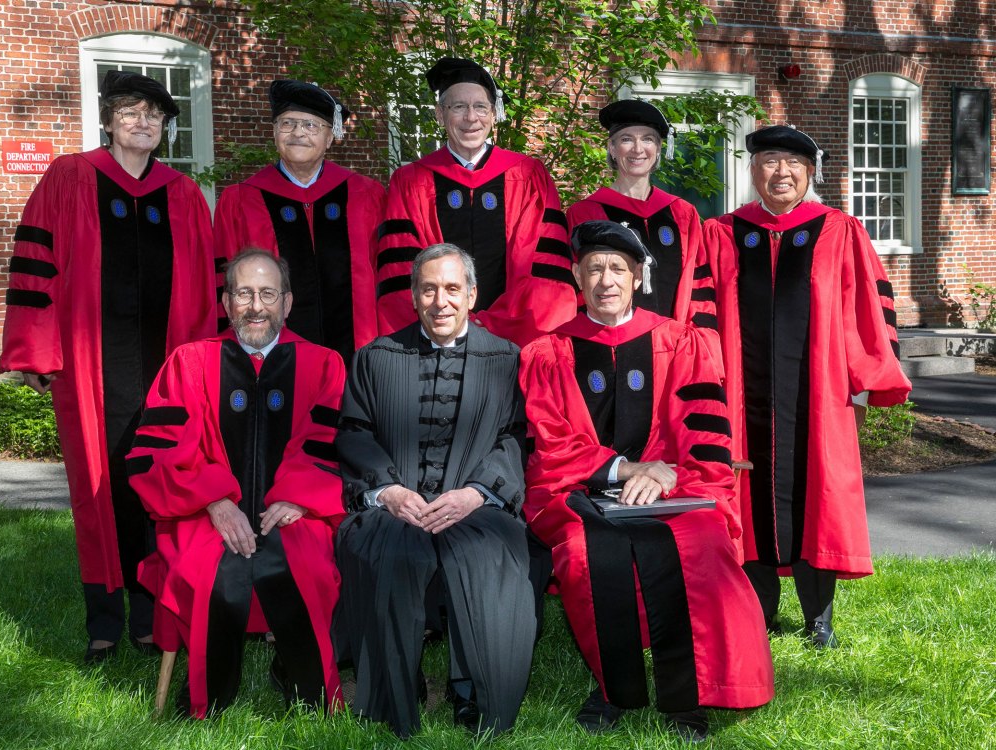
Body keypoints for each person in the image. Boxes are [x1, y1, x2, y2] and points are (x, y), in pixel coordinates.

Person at [520, 221, 774, 741]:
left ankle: (688, 692)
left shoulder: (680, 342)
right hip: (581, 491)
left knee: (698, 544)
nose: (606, 280)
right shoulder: (547, 352)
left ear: (637, 276)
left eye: (617, 269)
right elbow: (548, 442)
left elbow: (703, 435)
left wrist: (671, 474)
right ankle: (617, 685)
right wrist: (626, 468)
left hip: (673, 486)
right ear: (576, 276)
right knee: (586, 552)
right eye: (594, 269)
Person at [0, 70, 219, 663]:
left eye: (154, 115)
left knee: (160, 484)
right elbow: (35, 264)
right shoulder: (69, 177)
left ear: (165, 129)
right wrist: (36, 351)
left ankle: (151, 617)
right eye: (130, 112)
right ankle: (103, 619)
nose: (143, 122)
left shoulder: (183, 195)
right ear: (109, 120)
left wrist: (204, 366)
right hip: (89, 370)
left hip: (167, 371)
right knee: (97, 489)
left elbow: (205, 288)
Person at [689, 125, 911, 647]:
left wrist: (864, 383)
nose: (780, 173)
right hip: (742, 397)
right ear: (752, 171)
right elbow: (698, 314)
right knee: (744, 496)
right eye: (768, 161)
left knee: (820, 498)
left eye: (792, 163)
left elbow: (866, 311)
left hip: (819, 396)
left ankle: (820, 618)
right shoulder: (721, 233)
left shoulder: (838, 230)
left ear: (810, 172)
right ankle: (757, 612)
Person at [125, 251, 346, 718]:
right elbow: (155, 454)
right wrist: (214, 501)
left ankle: (306, 692)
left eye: (268, 294)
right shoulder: (188, 363)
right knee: (214, 573)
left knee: (301, 564)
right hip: (203, 512)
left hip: (290, 509)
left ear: (287, 303)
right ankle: (209, 699)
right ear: (226, 302)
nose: (256, 305)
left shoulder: (324, 365)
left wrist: (297, 497)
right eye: (244, 293)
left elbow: (331, 444)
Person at [334, 244, 535, 738]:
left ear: (471, 294)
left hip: (474, 504)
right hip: (396, 507)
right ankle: (396, 691)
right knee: (389, 553)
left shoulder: (505, 360)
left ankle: (476, 695)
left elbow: (516, 437)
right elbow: (354, 433)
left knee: (485, 556)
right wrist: (389, 492)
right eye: (428, 289)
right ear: (414, 296)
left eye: (451, 289)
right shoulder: (376, 358)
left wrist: (477, 493)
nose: (440, 301)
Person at [375, 57, 575, 346]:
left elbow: (546, 269)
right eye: (458, 107)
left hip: (514, 340)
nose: (471, 117)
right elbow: (400, 272)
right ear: (439, 115)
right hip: (435, 338)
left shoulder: (529, 176)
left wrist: (491, 323)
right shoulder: (410, 182)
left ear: (494, 114)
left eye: (481, 107)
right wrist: (448, 323)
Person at [214, 80, 385, 364]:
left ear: (331, 137)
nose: (298, 133)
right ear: (274, 132)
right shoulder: (241, 200)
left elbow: (386, 277)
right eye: (287, 124)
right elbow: (225, 285)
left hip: (360, 357)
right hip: (268, 362)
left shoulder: (366, 196)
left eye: (310, 125)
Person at [566, 99, 704, 321]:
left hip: (675, 343)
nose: (638, 149)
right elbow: (579, 288)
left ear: (659, 148)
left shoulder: (682, 213)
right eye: (626, 139)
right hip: (612, 344)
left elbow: (699, 285)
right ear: (612, 148)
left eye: (648, 139)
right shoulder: (586, 214)